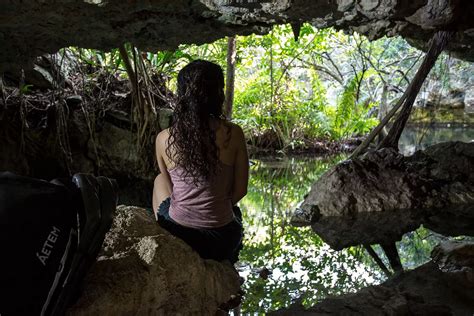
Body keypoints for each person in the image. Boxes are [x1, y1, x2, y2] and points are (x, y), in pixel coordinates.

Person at [152, 60, 249, 263]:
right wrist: (214, 209)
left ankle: (167, 240)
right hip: (223, 239)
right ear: (218, 94)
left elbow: (171, 191)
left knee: (159, 181)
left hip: (183, 237)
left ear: (182, 96)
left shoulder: (164, 138)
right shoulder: (233, 134)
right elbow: (240, 191)